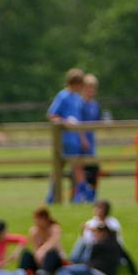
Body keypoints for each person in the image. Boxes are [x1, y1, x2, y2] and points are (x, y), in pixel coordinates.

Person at [56, 200, 138, 275]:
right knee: (82, 256)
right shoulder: (115, 244)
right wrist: (135, 274)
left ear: (103, 233)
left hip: (97, 272)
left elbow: (89, 261)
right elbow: (128, 257)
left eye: (96, 232)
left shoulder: (98, 244)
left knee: (62, 270)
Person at [46, 68, 86, 204]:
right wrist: (65, 121)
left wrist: (82, 139)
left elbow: (78, 122)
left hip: (74, 139)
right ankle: (52, 196)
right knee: (58, 168)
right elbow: (52, 115)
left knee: (77, 167)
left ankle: (79, 196)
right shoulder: (62, 96)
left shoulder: (77, 98)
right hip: (63, 140)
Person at [76, 74, 103, 203]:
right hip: (80, 143)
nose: (91, 91)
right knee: (79, 169)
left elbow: (97, 122)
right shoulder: (79, 104)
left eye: (93, 88)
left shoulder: (95, 105)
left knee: (94, 170)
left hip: (91, 144)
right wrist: (82, 139)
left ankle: (91, 197)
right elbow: (77, 124)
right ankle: (80, 196)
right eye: (88, 88)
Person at [21, 206, 67, 275]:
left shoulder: (55, 228)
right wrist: (38, 255)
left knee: (52, 253)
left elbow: (52, 243)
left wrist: (42, 251)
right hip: (39, 259)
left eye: (38, 219)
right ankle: (24, 273)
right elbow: (35, 248)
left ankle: (44, 273)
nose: (35, 221)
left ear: (44, 219)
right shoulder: (34, 231)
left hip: (54, 260)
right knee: (26, 254)